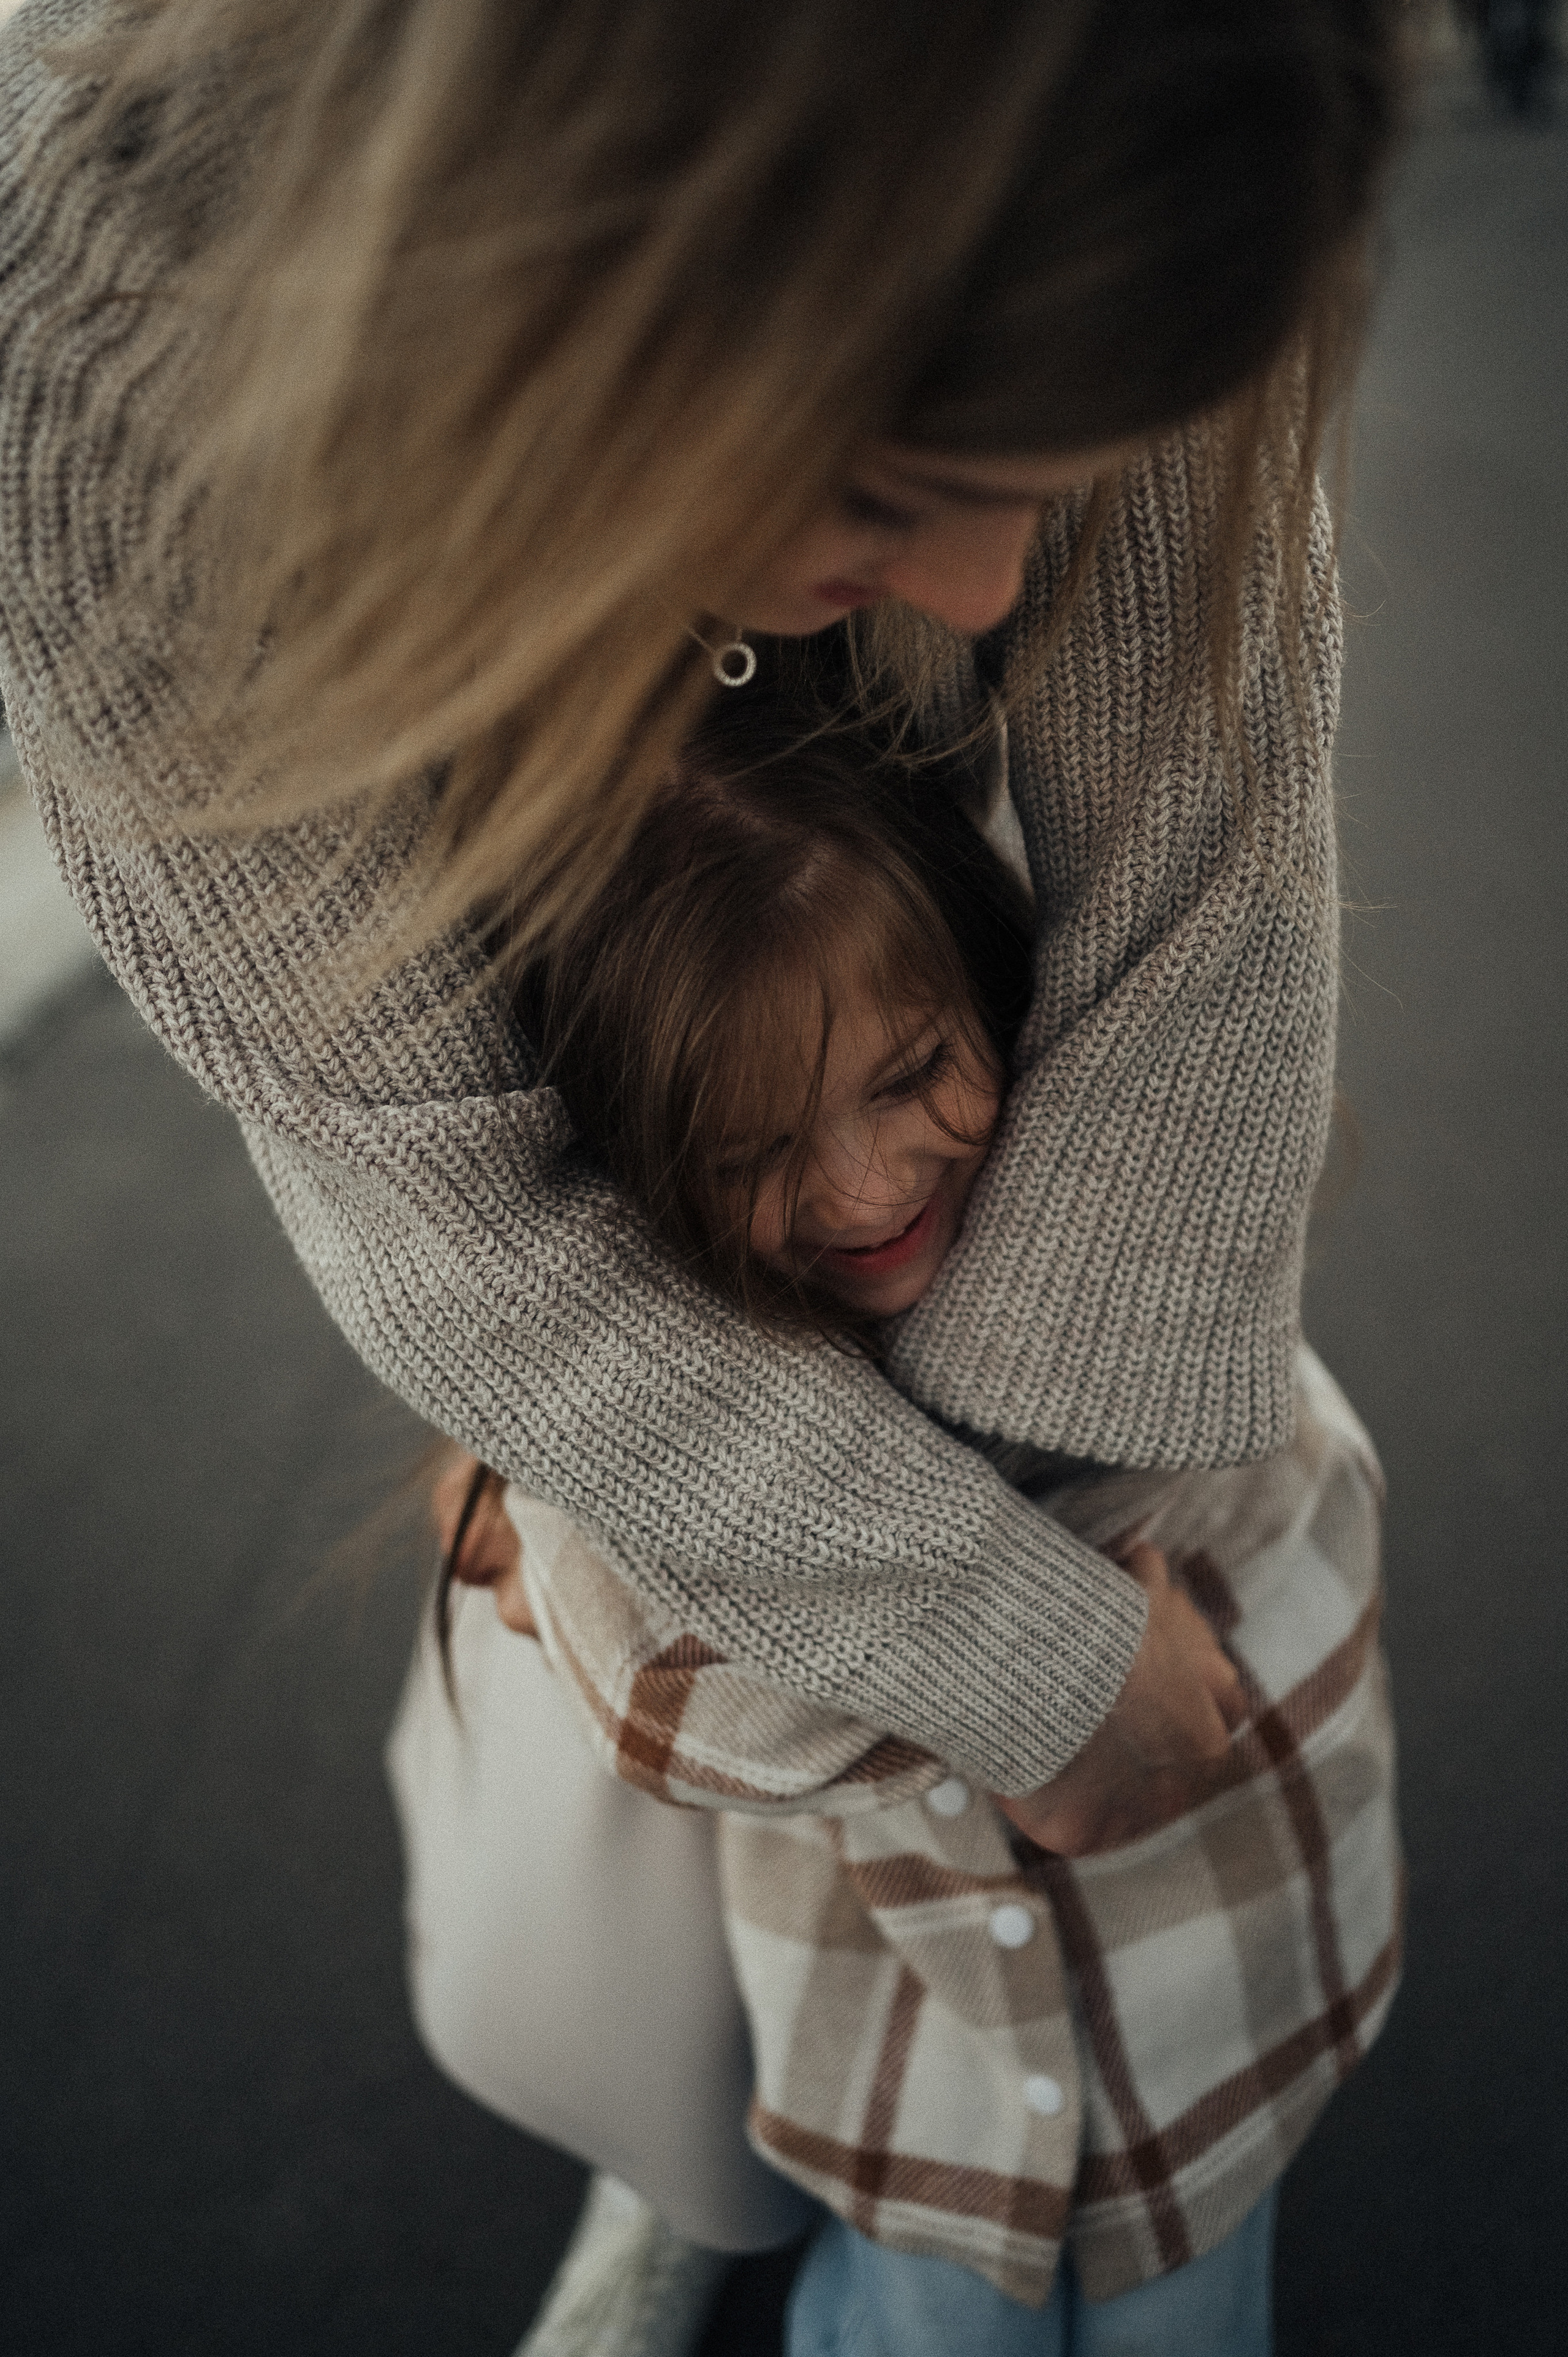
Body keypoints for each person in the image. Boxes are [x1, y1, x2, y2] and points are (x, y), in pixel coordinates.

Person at [0, 0, 1406, 2342]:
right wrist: (993, 1648)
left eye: (1047, 477)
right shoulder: (107, 356)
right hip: (566, 993)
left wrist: (1025, 1562)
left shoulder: (1157, 87)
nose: (979, 596)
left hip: (825, 903)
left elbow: (1201, 882)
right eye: (885, 484)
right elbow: (442, 1199)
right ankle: (697, 2133)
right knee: (679, 1596)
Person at [417, 672, 1396, 2356]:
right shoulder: (673, 1420)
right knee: (919, 2331)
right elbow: (639, 1669)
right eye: (747, 1152)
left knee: (1184, 2325)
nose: (869, 1189)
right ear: (642, 1179)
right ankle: (669, 2192)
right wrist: (561, 1496)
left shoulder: (1142, 1288)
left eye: (916, 1070)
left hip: (1211, 2001)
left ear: (998, 994)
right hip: (902, 2056)